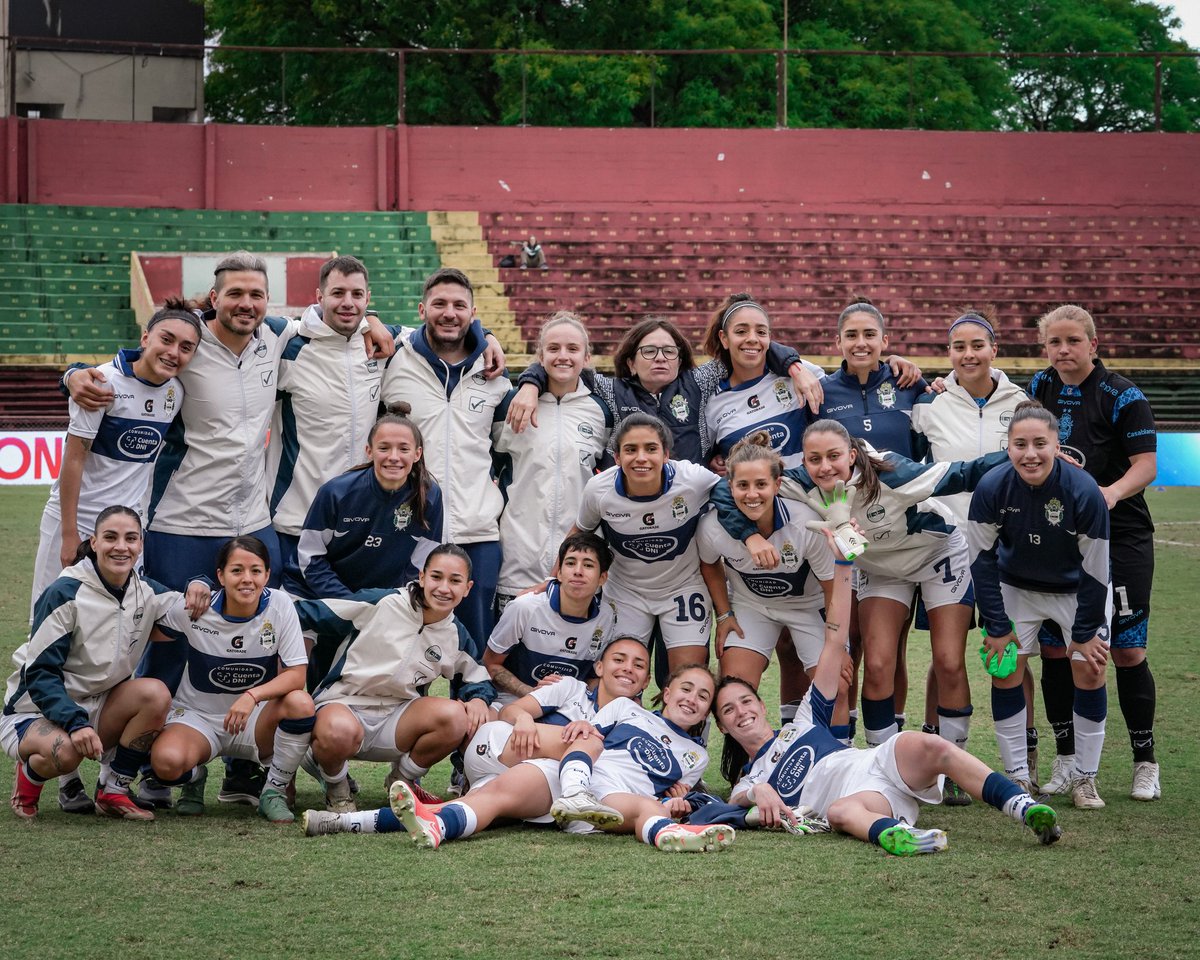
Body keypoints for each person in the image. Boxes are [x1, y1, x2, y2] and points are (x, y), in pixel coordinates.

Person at [64, 252, 395, 806]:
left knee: (259, 643)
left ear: (269, 302)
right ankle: (148, 769)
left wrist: (376, 322)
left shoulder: (278, 337)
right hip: (181, 522)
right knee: (170, 642)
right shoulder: (189, 344)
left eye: (256, 295)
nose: (246, 304)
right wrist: (72, 374)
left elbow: (343, 316)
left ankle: (243, 771)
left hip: (253, 522)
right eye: (235, 293)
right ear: (214, 298)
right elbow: (126, 367)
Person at [710, 526, 1062, 855]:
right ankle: (905, 837)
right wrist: (759, 791)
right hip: (863, 798)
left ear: (762, 705)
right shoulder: (750, 779)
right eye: (728, 710)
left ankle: (1024, 807)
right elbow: (737, 802)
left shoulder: (802, 721)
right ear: (723, 727)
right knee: (840, 812)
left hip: (878, 761)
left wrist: (843, 565)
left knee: (931, 745)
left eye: (745, 701)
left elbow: (834, 641)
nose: (742, 712)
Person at [714, 419, 1006, 752]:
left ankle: (953, 760)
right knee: (878, 665)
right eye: (814, 459)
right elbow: (725, 489)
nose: (825, 467)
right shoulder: (798, 482)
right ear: (804, 461)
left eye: (833, 456)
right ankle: (881, 763)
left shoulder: (893, 473)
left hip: (935, 555)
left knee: (949, 661)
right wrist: (749, 536)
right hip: (880, 568)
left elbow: (964, 473)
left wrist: (1018, 455)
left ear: (852, 455)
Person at [30, 302, 201, 812]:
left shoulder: (173, 392)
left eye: (186, 347)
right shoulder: (101, 383)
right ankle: (62, 775)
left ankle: (111, 773)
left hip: (128, 537)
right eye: (166, 340)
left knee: (119, 646)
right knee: (59, 639)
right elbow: (73, 459)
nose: (174, 352)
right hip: (80, 527)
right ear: (145, 336)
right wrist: (69, 536)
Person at [299, 636, 651, 838]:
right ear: (599, 667)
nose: (627, 669)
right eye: (619, 659)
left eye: (638, 665)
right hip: (499, 745)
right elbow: (512, 712)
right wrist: (524, 719)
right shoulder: (571, 687)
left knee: (466, 810)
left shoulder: (645, 724)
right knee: (586, 739)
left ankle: (344, 822)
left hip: (534, 781)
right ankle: (575, 795)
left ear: (647, 681)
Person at [1028, 303, 1159, 802]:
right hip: (1058, 538)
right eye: (1054, 342)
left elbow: (1146, 465)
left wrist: (1110, 493)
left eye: (1073, 341)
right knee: (1057, 649)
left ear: (1093, 344)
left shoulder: (1123, 395)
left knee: (1124, 650)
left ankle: (1145, 762)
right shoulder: (1039, 386)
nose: (1063, 350)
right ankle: (1066, 759)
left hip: (1120, 536)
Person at [5, 506, 209, 821]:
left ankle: (113, 790)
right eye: (111, 537)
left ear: (140, 545)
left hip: (97, 704)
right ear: (94, 542)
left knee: (155, 694)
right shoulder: (65, 592)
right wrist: (76, 723)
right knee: (65, 752)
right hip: (34, 710)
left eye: (131, 538)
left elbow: (186, 607)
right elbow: (40, 673)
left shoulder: (144, 591)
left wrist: (200, 584)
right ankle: (28, 781)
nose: (121, 547)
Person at [910, 309, 1038, 791]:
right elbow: (914, 471)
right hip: (949, 545)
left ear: (994, 349)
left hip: (1009, 548)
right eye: (959, 347)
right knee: (946, 657)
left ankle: (1025, 759)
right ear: (949, 353)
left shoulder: (1021, 402)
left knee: (1014, 656)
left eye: (977, 345)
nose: (968, 354)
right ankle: (936, 757)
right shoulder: (929, 404)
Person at [968, 401, 1112, 808]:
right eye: (1020, 445)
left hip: (1077, 589)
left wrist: (1084, 634)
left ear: (1056, 445)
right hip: (1017, 586)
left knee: (1090, 669)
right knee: (1004, 669)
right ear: (1008, 447)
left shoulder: (1083, 491)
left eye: (1040, 444)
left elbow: (1096, 569)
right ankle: (1017, 776)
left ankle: (1085, 778)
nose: (1030, 454)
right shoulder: (991, 487)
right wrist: (997, 626)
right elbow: (980, 561)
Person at [292, 544, 496, 813]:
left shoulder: (455, 633)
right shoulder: (383, 602)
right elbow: (304, 614)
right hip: (345, 706)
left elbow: (477, 676)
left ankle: (401, 782)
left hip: (399, 720)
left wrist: (479, 698)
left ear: (467, 588)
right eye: (436, 577)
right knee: (337, 730)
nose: (444, 588)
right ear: (422, 577)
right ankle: (337, 788)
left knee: (456, 717)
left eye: (455, 581)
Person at [380, 268, 511, 651]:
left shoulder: (494, 374)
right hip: (409, 529)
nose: (449, 313)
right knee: (397, 648)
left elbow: (505, 451)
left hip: (477, 534)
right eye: (439, 304)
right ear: (422, 310)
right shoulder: (394, 361)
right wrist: (371, 317)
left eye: (459, 305)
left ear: (473, 313)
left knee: (475, 651)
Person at [507, 315, 824, 466]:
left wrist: (794, 366)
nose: (660, 358)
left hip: (691, 505)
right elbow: (564, 365)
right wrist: (530, 383)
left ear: (680, 359)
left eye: (669, 351)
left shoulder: (699, 382)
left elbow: (749, 346)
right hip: (628, 507)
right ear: (630, 362)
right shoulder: (610, 389)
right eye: (649, 351)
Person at [149, 536, 315, 824]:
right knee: (166, 763)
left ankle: (273, 791)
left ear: (267, 575)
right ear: (220, 576)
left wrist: (252, 696)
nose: (247, 579)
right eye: (237, 570)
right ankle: (195, 778)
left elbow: (296, 675)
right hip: (199, 718)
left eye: (255, 570)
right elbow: (146, 628)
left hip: (255, 719)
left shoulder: (280, 605)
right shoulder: (196, 609)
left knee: (301, 703)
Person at [285, 414, 444, 688]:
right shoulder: (336, 492)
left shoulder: (430, 496)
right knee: (296, 683)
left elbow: (421, 566)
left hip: (378, 601)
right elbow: (310, 559)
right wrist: (353, 604)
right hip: (314, 592)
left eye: (403, 449)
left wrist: (386, 603)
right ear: (369, 451)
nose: (393, 457)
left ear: (417, 454)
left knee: (369, 681)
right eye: (384, 448)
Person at [567, 413, 719, 672]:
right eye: (630, 450)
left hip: (683, 587)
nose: (641, 457)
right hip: (625, 591)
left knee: (686, 677)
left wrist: (751, 537)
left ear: (666, 454)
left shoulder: (693, 479)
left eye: (651, 449)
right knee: (620, 675)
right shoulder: (599, 489)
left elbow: (732, 495)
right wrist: (553, 580)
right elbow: (579, 533)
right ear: (617, 457)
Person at [267, 256, 383, 570]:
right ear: (319, 297)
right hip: (296, 520)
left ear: (368, 299)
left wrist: (487, 337)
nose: (348, 302)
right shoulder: (290, 349)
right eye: (338, 293)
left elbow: (438, 334)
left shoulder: (380, 347)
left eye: (357, 294)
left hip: (358, 526)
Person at [698, 432, 836, 695]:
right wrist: (724, 614)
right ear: (730, 487)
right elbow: (709, 564)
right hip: (751, 606)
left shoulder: (806, 523)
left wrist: (835, 642)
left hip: (809, 606)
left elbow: (832, 587)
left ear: (777, 484)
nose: (752, 494)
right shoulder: (712, 527)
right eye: (742, 485)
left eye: (761, 484)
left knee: (833, 684)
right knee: (732, 690)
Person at [491, 311, 611, 610]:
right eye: (553, 348)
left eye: (573, 349)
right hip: (519, 553)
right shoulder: (509, 405)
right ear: (540, 356)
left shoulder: (600, 411)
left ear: (586, 357)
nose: (563, 356)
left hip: (578, 558)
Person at [545, 664, 735, 853]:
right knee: (585, 743)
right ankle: (575, 794)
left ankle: (670, 834)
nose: (692, 699)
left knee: (653, 808)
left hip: (617, 801)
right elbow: (589, 735)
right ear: (667, 694)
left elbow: (669, 797)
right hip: (581, 780)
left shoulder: (698, 756)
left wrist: (676, 802)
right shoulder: (626, 707)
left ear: (705, 713)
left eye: (703, 697)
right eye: (686, 689)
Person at [483, 533, 618, 705]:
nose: (578, 571)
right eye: (570, 563)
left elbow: (593, 677)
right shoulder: (524, 607)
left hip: (569, 705)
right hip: (515, 700)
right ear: (559, 573)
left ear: (602, 578)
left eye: (588, 565)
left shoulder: (606, 617)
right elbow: (490, 663)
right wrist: (532, 694)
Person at [701, 293, 815, 467]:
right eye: (741, 331)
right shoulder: (712, 405)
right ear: (724, 338)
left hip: (805, 485)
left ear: (769, 338)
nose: (752, 339)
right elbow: (705, 459)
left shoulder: (799, 372)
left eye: (761, 332)